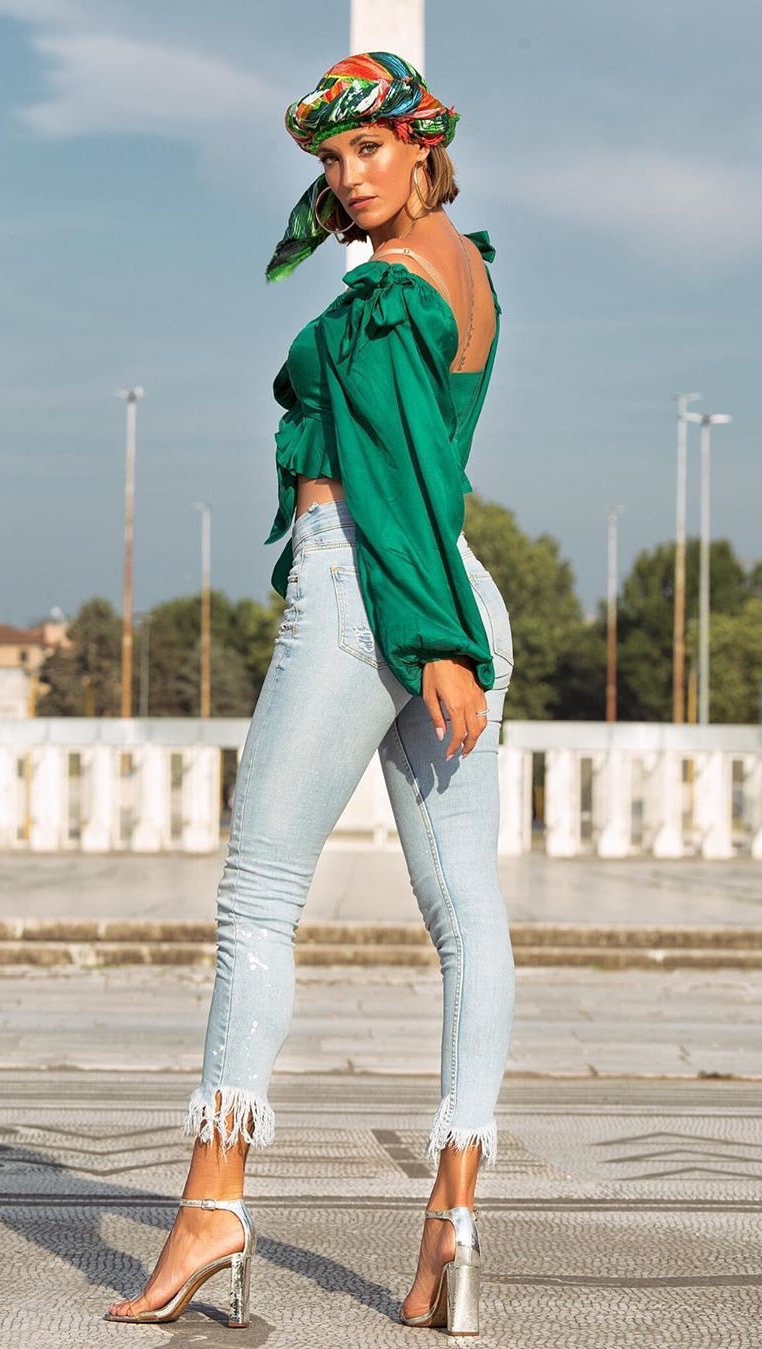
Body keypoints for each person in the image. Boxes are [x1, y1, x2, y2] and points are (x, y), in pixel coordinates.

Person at [104, 51, 515, 1335]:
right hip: (446, 578)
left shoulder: (391, 290)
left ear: (424, 145)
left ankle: (211, 1204)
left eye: (370, 149)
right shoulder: (466, 270)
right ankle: (452, 1220)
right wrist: (453, 629)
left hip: (370, 588)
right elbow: (430, 465)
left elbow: (393, 474)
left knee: (257, 895)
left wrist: (433, 642)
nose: (347, 177)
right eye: (332, 161)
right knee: (467, 912)